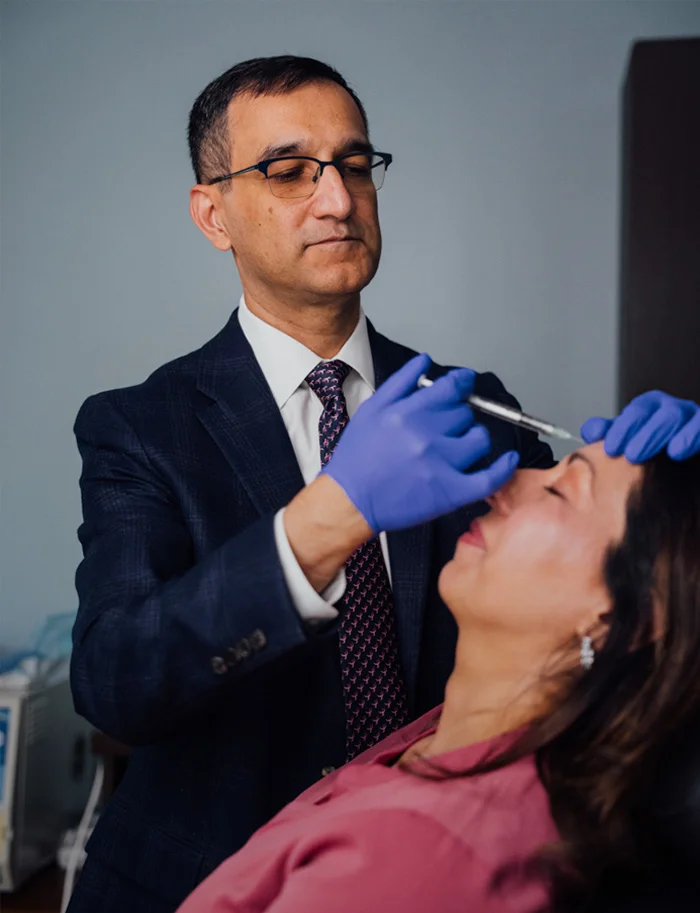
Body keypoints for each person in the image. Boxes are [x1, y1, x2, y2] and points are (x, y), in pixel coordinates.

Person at [66, 55, 700, 913]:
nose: (336, 199)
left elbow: (605, 597)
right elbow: (115, 683)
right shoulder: (139, 426)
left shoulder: (474, 406)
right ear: (213, 213)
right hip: (193, 880)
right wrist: (324, 523)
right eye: (288, 172)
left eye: (356, 165)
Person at [174, 444, 700, 913]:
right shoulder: (438, 736)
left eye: (560, 489)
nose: (502, 482)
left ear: (620, 616)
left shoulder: (421, 850)